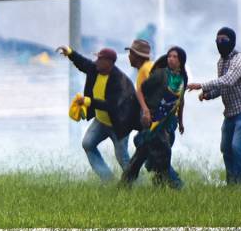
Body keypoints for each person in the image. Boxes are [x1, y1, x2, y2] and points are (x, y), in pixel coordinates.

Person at [188, 27, 241, 186]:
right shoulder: (221, 62)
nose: (220, 43)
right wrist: (208, 94)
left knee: (237, 147)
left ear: (232, 42)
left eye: (224, 40)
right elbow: (223, 87)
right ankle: (232, 183)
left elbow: (229, 80)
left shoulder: (240, 59)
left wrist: (202, 85)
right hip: (230, 113)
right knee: (226, 148)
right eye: (218, 40)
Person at [56, 45, 137, 182]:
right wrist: (70, 53)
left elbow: (111, 106)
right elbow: (83, 63)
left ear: (110, 63)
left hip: (119, 124)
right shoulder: (95, 69)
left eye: (100, 60)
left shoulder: (119, 81)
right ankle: (108, 179)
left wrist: (88, 101)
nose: (96, 62)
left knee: (122, 157)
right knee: (88, 144)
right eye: (97, 59)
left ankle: (136, 183)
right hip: (101, 121)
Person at [121, 47, 187, 189]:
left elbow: (180, 100)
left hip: (168, 121)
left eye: (175, 57)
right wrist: (145, 110)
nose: (171, 59)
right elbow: (140, 91)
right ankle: (177, 186)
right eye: (169, 56)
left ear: (181, 60)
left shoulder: (182, 78)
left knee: (142, 155)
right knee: (164, 151)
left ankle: (126, 184)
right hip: (153, 120)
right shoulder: (160, 74)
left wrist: (181, 122)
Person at [126, 39, 154, 128]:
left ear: (137, 56)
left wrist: (147, 112)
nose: (128, 56)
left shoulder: (146, 69)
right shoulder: (144, 68)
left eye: (130, 53)